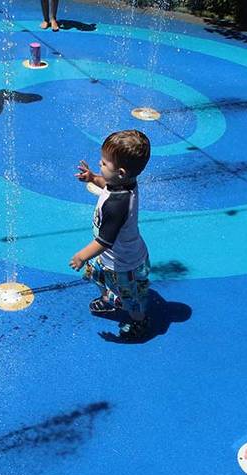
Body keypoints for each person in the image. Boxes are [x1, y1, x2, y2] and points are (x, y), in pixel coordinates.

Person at [71, 130, 153, 341]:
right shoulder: (124, 183)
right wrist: (92, 178)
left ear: (122, 172)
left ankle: (138, 321)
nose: (100, 164)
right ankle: (109, 297)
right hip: (114, 259)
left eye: (105, 164)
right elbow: (107, 184)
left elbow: (104, 241)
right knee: (98, 277)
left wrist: (81, 256)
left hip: (123, 263)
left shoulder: (117, 205)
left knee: (131, 299)